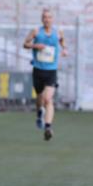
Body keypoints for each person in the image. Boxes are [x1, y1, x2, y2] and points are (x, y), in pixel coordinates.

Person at [23, 8, 67, 141]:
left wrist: (65, 49)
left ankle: (48, 127)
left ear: (52, 19)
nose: (47, 19)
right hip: (38, 70)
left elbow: (62, 41)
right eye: (45, 17)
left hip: (51, 71)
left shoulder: (58, 32)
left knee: (48, 99)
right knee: (40, 99)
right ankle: (39, 114)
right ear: (42, 19)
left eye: (49, 17)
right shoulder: (36, 31)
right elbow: (25, 44)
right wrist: (35, 46)